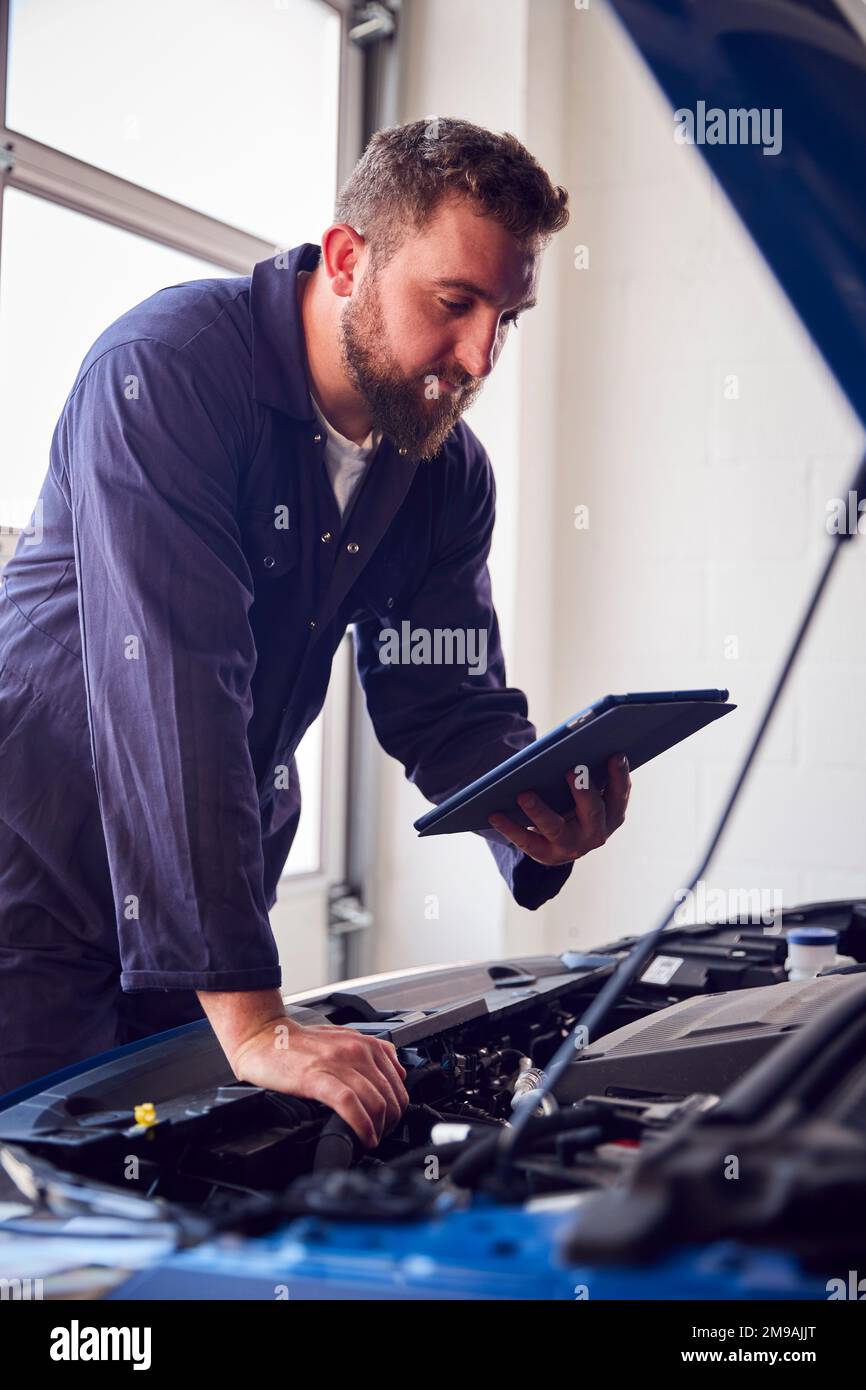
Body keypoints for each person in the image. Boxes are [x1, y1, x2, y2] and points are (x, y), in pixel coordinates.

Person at [0, 118, 631, 1145]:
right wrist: (253, 1020)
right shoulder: (166, 376)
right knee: (40, 1220)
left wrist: (533, 806)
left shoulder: (443, 471)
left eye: (505, 317)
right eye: (453, 303)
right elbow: (175, 695)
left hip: (194, 902)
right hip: (31, 880)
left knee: (177, 1195)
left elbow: (445, 700)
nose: (477, 356)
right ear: (347, 259)